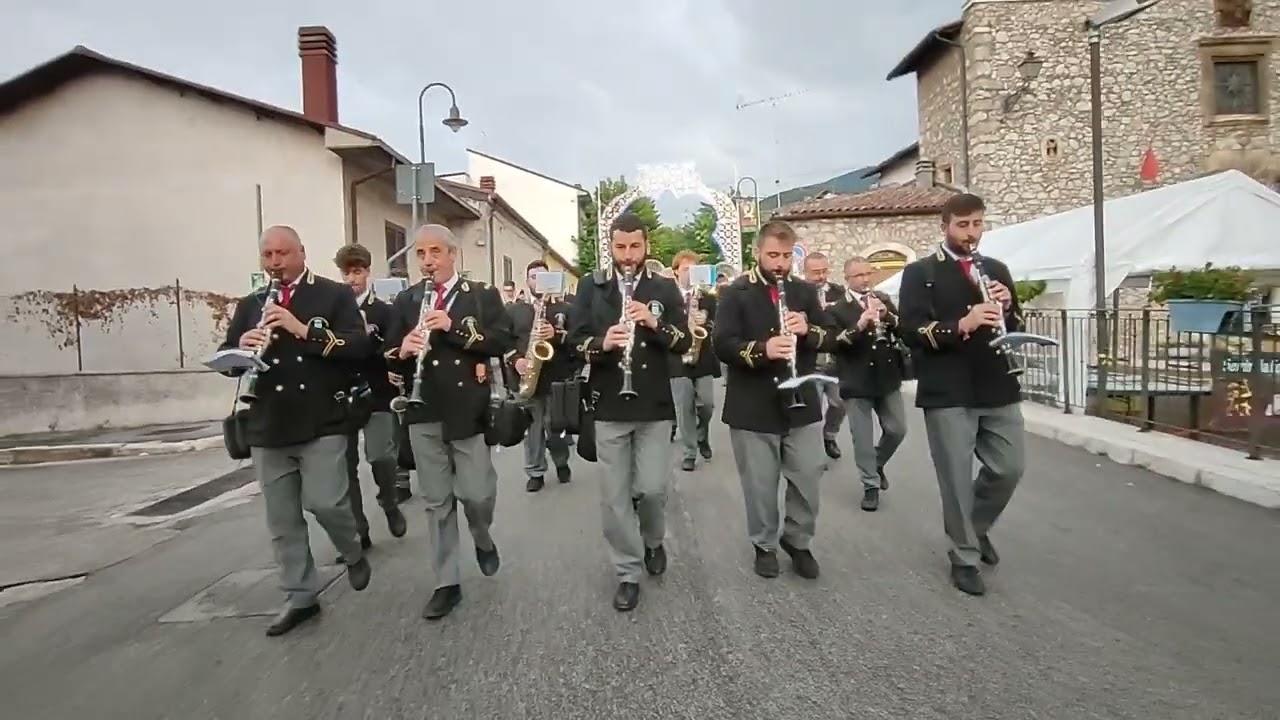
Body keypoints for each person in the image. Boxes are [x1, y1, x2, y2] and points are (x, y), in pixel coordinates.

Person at [220, 225, 372, 637]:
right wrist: (243, 349)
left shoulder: (332, 294)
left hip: (321, 417)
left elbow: (360, 348)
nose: (275, 263)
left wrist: (303, 329)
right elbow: (229, 356)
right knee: (283, 519)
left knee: (327, 503)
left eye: (282, 254)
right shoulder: (251, 303)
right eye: (267, 255)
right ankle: (300, 595)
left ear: (301, 253)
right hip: (269, 422)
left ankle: (352, 547)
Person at [384, 224, 516, 620]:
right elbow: (388, 353)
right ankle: (446, 582)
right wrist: (401, 350)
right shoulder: (407, 300)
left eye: (435, 252)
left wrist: (453, 329)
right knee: (436, 500)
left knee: (477, 494)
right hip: (423, 409)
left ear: (452, 254)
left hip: (467, 410)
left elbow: (501, 340)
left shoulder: (480, 296)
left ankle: (481, 535)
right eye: (421, 254)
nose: (427, 261)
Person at [898, 192, 1026, 597]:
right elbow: (911, 331)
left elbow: (1017, 321)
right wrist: (963, 323)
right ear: (946, 226)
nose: (971, 233)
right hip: (948, 388)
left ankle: (978, 526)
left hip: (997, 382)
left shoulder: (997, 268)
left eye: (977, 224)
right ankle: (964, 555)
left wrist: (1007, 307)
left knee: (1009, 468)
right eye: (963, 225)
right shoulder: (921, 273)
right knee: (955, 479)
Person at [567, 211, 689, 612]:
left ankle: (653, 539)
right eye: (620, 247)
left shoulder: (664, 288)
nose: (628, 255)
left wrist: (654, 322)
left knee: (651, 489)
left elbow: (683, 341)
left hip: (654, 405)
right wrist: (602, 343)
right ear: (611, 246)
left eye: (635, 246)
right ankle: (627, 572)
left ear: (646, 246)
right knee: (614, 497)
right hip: (608, 406)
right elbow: (574, 339)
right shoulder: (592, 286)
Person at [712, 220, 837, 580]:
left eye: (786, 256)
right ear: (757, 253)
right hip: (753, 403)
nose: (780, 264)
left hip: (802, 401)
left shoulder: (803, 291)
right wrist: (763, 349)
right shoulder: (736, 293)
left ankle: (797, 540)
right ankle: (764, 543)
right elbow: (722, 344)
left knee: (809, 475)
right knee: (760, 484)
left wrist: (808, 330)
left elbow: (830, 336)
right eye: (773, 255)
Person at [332, 245, 408, 550]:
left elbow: (393, 350)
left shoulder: (384, 311)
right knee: (344, 468)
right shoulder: (333, 310)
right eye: (347, 272)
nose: (352, 278)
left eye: (358, 271)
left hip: (378, 391)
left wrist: (369, 337)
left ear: (367, 272)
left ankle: (389, 501)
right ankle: (358, 531)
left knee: (381, 456)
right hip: (342, 395)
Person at [829, 256, 907, 512]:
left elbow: (905, 330)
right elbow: (836, 343)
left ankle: (877, 463)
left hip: (887, 376)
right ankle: (870, 485)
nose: (865, 279)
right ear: (848, 279)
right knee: (862, 438)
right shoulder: (837, 309)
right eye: (859, 275)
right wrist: (860, 325)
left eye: (868, 274)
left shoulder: (882, 299)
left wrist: (889, 317)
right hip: (856, 379)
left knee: (897, 429)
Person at [505, 259, 574, 492]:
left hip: (555, 378)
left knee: (555, 427)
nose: (538, 282)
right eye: (534, 277)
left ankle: (561, 462)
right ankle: (535, 471)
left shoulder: (565, 310)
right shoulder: (514, 311)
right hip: (526, 378)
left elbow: (576, 342)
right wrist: (516, 360)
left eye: (543, 277)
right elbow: (503, 340)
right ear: (527, 280)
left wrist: (557, 334)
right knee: (532, 429)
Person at [669, 250, 718, 471]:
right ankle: (689, 452)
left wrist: (706, 320)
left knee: (707, 404)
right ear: (676, 271)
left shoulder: (708, 297)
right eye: (685, 269)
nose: (689, 274)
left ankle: (702, 434)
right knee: (683, 408)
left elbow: (718, 325)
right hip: (677, 358)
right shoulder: (668, 296)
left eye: (693, 270)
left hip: (703, 356)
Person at [801, 252, 847, 459]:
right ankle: (816, 451)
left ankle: (830, 435)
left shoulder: (839, 292)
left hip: (836, 360)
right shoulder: (799, 293)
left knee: (840, 403)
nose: (821, 276)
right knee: (814, 409)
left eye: (824, 271)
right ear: (805, 272)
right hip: (812, 361)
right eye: (815, 272)